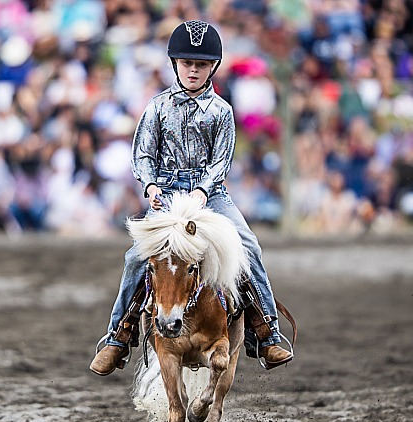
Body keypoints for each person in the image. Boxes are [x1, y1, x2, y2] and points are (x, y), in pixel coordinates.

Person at [89, 20, 293, 376]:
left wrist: (200, 192)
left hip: (210, 196)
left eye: (200, 64)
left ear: (212, 66)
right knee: (136, 258)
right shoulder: (157, 108)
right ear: (175, 64)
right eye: (187, 63)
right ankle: (117, 336)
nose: (193, 70)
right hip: (165, 194)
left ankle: (267, 332)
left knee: (248, 246)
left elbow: (221, 160)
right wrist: (151, 187)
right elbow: (143, 154)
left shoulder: (222, 112)